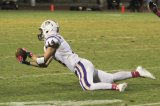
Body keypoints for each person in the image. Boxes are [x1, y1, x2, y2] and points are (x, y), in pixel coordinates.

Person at [18, 20, 156, 92]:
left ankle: (117, 88)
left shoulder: (53, 39)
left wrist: (30, 54)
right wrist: (26, 62)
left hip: (80, 66)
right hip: (83, 65)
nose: (41, 33)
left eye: (43, 30)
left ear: (48, 29)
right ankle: (138, 72)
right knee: (111, 77)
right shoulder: (49, 43)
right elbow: (44, 64)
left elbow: (42, 59)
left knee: (87, 86)